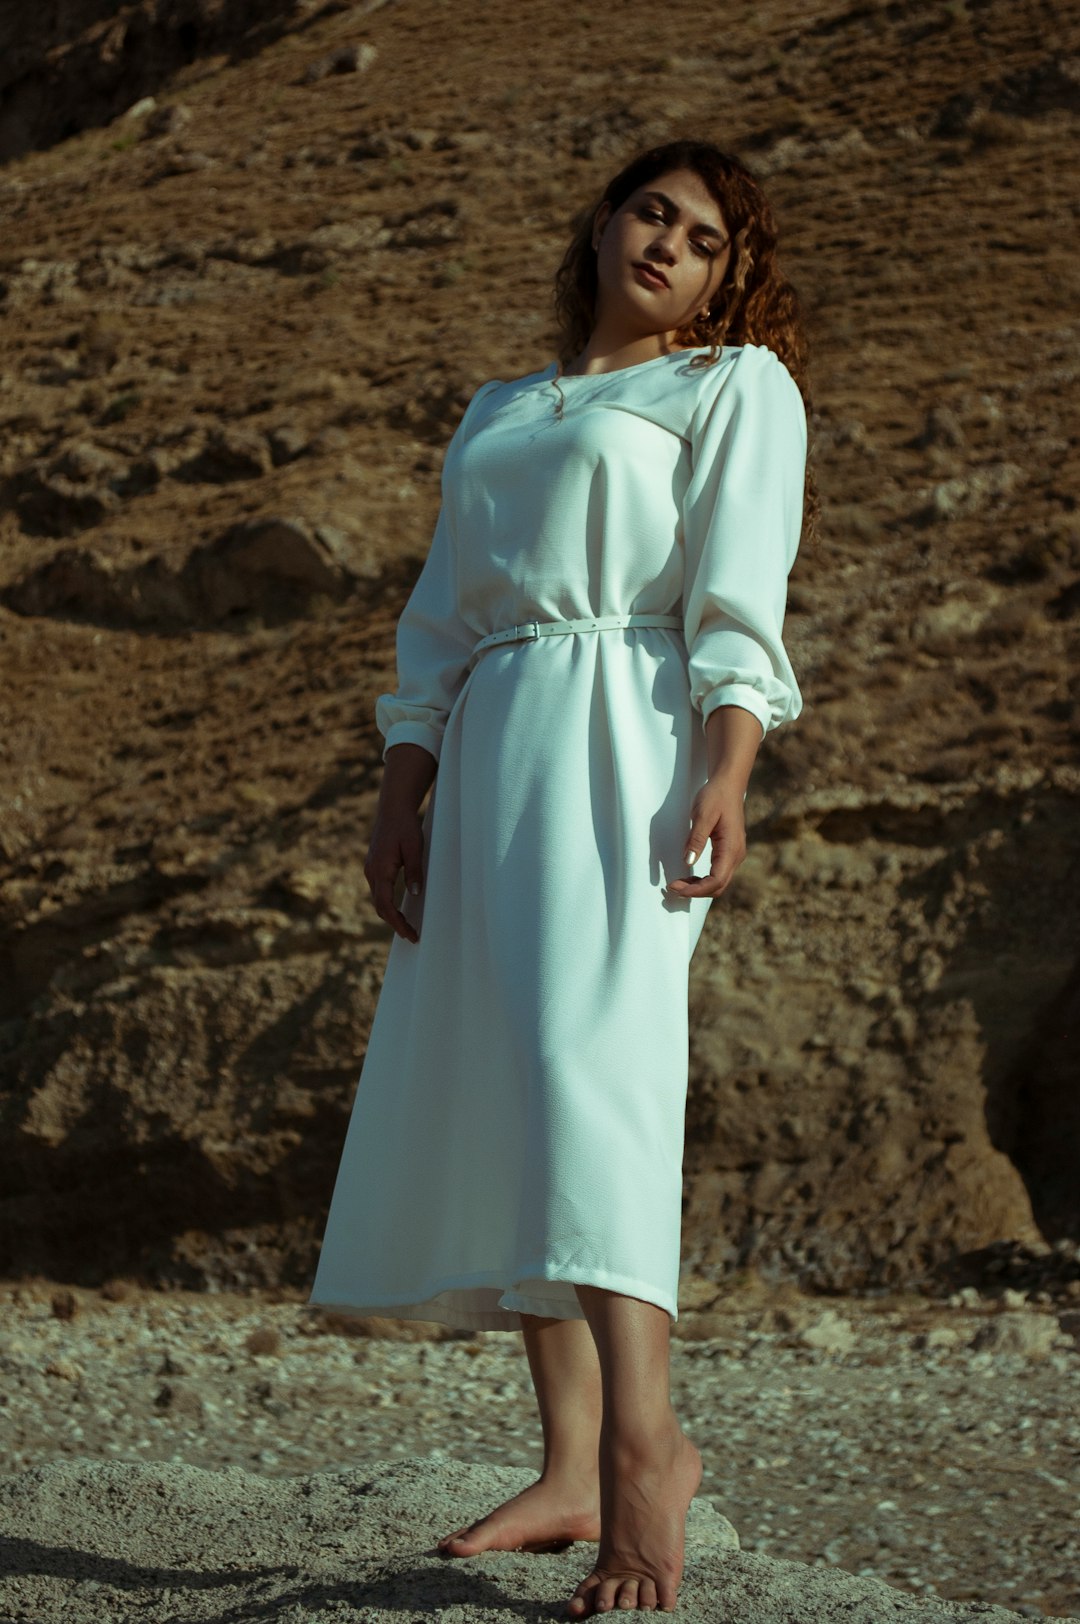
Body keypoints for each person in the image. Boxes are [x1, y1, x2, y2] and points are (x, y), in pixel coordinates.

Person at [309, 137, 817, 1616]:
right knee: (517, 1084)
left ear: (727, 278)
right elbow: (441, 624)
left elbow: (740, 593)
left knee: (586, 1064)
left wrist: (726, 769)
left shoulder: (729, 388)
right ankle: (570, 1462)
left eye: (706, 238)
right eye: (652, 212)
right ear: (602, 224)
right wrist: (401, 797)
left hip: (627, 731)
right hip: (492, 744)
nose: (670, 244)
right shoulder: (502, 408)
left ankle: (652, 1452)